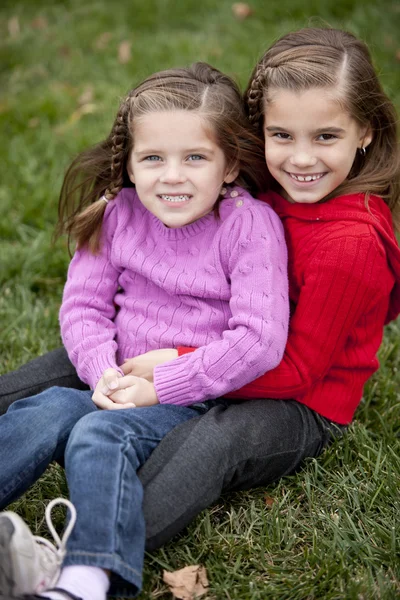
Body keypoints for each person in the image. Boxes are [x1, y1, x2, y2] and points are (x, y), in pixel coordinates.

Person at [1, 24, 400, 597]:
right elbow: (91, 308)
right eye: (281, 134)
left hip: (292, 395)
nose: (301, 157)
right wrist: (117, 367)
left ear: (364, 133)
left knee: (207, 442)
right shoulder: (259, 189)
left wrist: (168, 375)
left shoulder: (346, 243)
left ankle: (81, 560)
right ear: (254, 137)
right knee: (54, 378)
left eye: (326, 136)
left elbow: (290, 367)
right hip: (201, 355)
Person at [0, 62, 289, 599]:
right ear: (129, 164)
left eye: (195, 158)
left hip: (194, 398)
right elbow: (83, 307)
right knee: (47, 408)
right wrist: (102, 374)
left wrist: (162, 387)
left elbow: (259, 339)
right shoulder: (118, 214)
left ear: (228, 166)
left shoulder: (248, 226)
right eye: (153, 158)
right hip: (119, 381)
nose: (172, 175)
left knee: (99, 433)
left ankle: (88, 580)